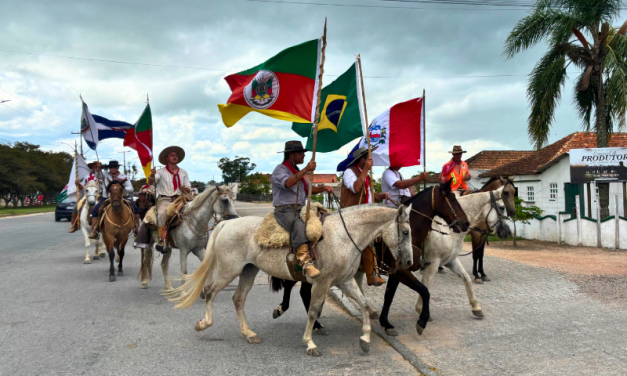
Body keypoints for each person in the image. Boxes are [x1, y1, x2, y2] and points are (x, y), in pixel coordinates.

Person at [271, 141, 334, 278]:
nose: (304, 155)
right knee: (299, 226)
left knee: (323, 221)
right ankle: (305, 261)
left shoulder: (297, 171)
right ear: (291, 155)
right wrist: (306, 170)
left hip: (301, 208)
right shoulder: (280, 170)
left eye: (304, 152)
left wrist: (323, 188)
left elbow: (309, 190)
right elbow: (287, 183)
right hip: (285, 210)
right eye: (301, 153)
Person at [340, 146, 391, 286]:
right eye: (368, 158)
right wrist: (366, 170)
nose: (371, 160)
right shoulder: (349, 172)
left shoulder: (365, 175)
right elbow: (356, 188)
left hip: (365, 214)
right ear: (362, 159)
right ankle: (371, 275)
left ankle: (380, 267)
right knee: (368, 238)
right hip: (351, 215)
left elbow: (367, 194)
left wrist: (379, 195)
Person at [148, 146, 191, 253]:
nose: (174, 157)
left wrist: (184, 189)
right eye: (172, 155)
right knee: (162, 213)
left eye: (176, 155)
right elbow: (151, 182)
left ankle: (200, 237)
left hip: (181, 198)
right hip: (165, 199)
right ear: (166, 158)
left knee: (196, 210)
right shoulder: (160, 172)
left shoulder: (183, 172)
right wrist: (151, 175)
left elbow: (189, 189)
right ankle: (161, 240)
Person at [88, 160, 138, 239]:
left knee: (135, 207)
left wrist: (121, 187)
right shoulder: (104, 174)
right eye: (111, 167)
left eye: (114, 167)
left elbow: (131, 189)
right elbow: (97, 176)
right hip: (106, 197)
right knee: (95, 210)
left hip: (121, 198)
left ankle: (136, 228)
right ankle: (95, 230)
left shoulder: (124, 176)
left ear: (118, 167)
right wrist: (98, 168)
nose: (112, 168)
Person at [68, 161, 99, 233]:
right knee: (76, 206)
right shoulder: (87, 177)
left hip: (98, 195)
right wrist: (78, 184)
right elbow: (83, 188)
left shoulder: (102, 176)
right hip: (87, 195)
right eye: (94, 166)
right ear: (91, 168)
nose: (95, 168)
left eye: (96, 166)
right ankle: (74, 225)